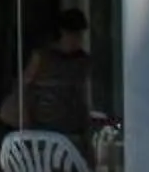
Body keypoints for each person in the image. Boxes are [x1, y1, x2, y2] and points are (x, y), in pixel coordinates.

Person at [13, 8, 99, 136]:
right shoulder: (42, 57)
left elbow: (83, 92)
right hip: (42, 124)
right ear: (62, 32)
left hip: (73, 125)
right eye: (72, 34)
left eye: (79, 35)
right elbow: (22, 87)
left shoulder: (83, 61)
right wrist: (25, 119)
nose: (76, 40)